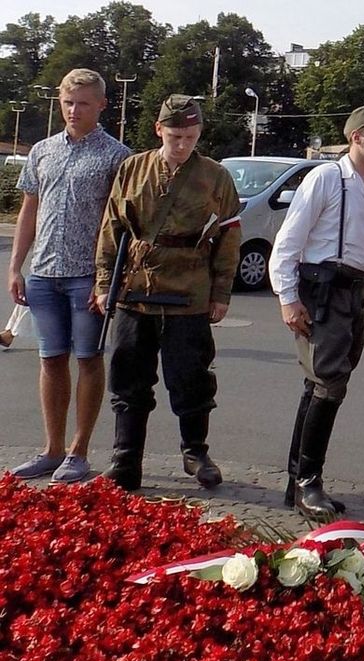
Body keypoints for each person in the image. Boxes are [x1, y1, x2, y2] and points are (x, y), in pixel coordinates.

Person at [94, 94, 240, 491]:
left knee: (192, 378)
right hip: (135, 289)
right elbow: (112, 230)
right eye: (175, 135)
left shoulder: (216, 176)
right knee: (128, 378)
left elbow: (228, 237)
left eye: (191, 136)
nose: (182, 144)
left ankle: (196, 452)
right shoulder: (132, 169)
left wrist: (221, 292)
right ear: (159, 130)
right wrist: (105, 284)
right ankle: (126, 459)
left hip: (190, 289)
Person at [268, 104, 364, 516]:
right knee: (328, 384)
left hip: (353, 292)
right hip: (323, 289)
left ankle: (297, 480)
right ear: (356, 137)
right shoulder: (326, 177)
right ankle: (308, 483)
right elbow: (288, 242)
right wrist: (288, 298)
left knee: (322, 383)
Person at [6, 68, 130, 483]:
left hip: (87, 275)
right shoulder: (42, 151)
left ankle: (78, 451)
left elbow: (120, 225)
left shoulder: (117, 156)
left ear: (101, 105)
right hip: (43, 271)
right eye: (67, 102)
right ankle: (52, 448)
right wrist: (15, 266)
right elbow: (29, 210)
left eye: (83, 103)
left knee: (88, 359)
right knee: (50, 358)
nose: (74, 111)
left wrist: (107, 278)